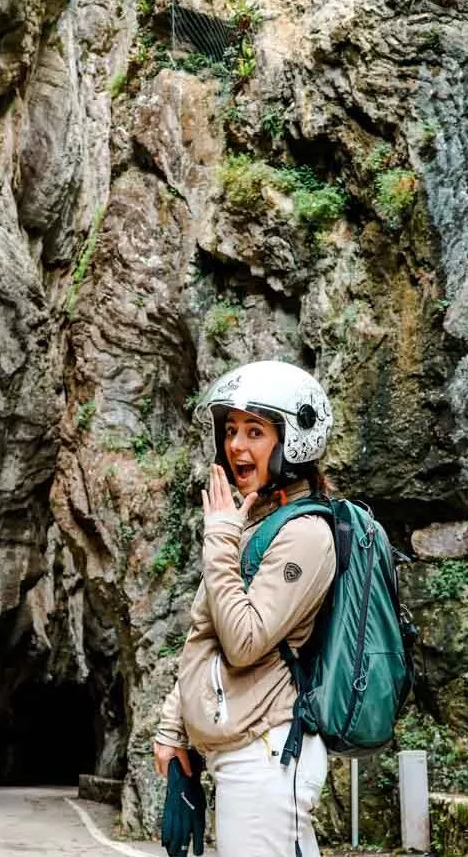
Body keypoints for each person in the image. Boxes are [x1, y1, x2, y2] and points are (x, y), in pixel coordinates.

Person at [153, 360, 337, 857]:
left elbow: (243, 642)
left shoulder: (305, 534)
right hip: (245, 757)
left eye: (255, 431)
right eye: (231, 430)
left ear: (294, 439)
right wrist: (174, 734)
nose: (236, 445)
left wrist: (218, 539)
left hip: (269, 755)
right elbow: (205, 634)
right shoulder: (252, 523)